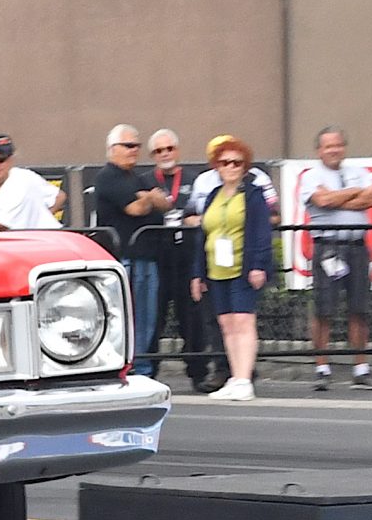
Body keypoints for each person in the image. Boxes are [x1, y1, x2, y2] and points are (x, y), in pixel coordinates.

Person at [300, 125, 372, 391]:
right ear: (319, 150)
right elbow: (322, 201)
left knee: (359, 309)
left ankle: (361, 369)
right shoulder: (311, 176)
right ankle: (322, 368)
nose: (334, 150)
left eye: (338, 145)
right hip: (328, 247)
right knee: (324, 309)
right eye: (328, 146)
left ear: (344, 148)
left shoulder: (358, 172)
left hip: (357, 246)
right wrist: (353, 194)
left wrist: (339, 197)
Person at [190, 135, 271, 402]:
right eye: (225, 162)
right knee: (226, 323)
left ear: (245, 166)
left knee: (243, 320)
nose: (231, 167)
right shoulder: (213, 195)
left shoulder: (253, 195)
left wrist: (259, 265)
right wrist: (198, 273)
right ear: (217, 166)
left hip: (242, 267)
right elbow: (203, 234)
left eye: (237, 162)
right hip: (216, 269)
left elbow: (261, 232)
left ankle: (245, 378)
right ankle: (235, 377)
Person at [92, 125, 171, 376]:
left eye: (137, 146)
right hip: (127, 258)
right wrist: (148, 198)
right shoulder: (108, 176)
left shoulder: (136, 178)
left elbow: (165, 203)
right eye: (128, 146)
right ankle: (131, 366)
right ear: (113, 148)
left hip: (148, 256)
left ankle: (143, 365)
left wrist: (146, 197)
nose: (134, 150)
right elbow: (134, 209)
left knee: (147, 316)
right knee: (131, 316)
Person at [144, 130, 216, 391]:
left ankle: (199, 373)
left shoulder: (193, 180)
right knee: (153, 317)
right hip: (158, 259)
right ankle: (147, 371)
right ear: (153, 155)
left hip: (187, 258)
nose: (165, 154)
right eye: (159, 151)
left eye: (169, 149)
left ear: (177, 150)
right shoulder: (145, 181)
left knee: (193, 319)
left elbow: (203, 212)